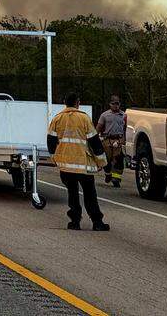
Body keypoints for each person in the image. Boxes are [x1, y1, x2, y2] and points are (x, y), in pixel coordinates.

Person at [47, 92, 110, 231]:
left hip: (66, 166)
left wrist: (54, 158)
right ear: (78, 103)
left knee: (72, 193)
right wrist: (102, 163)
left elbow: (50, 140)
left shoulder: (57, 119)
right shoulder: (84, 118)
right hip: (83, 165)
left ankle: (75, 222)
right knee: (89, 194)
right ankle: (97, 222)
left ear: (65, 102)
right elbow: (94, 142)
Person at [96, 95, 126, 187]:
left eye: (117, 104)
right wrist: (95, 137)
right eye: (113, 104)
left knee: (119, 159)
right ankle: (108, 174)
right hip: (107, 140)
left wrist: (124, 140)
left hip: (119, 140)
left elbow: (126, 128)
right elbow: (98, 127)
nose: (116, 106)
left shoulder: (124, 115)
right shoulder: (104, 115)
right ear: (110, 104)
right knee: (107, 160)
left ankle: (116, 179)